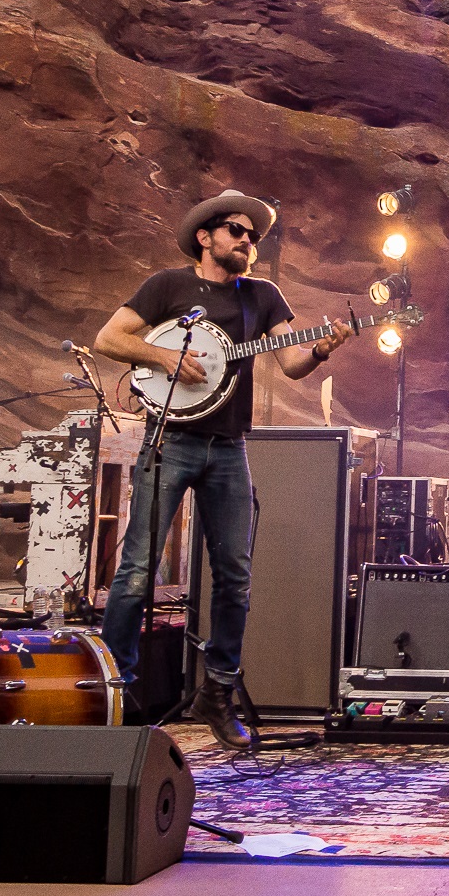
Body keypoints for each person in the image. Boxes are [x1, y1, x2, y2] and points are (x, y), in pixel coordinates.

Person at [90, 190, 351, 748]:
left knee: (235, 576)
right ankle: (115, 692)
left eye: (253, 235)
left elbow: (293, 362)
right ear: (206, 237)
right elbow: (108, 337)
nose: (248, 241)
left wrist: (324, 348)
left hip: (228, 447)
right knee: (137, 569)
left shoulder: (263, 297)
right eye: (237, 230)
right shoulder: (167, 286)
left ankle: (218, 691)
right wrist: (165, 358)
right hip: (170, 442)